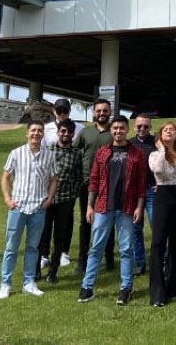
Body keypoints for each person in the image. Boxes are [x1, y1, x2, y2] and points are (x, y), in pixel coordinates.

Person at [78, 116, 147, 305]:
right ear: (111, 130)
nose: (118, 131)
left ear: (128, 129)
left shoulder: (137, 154)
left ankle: (126, 288)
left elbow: (141, 184)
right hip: (103, 207)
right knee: (96, 248)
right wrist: (90, 206)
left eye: (122, 128)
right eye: (115, 128)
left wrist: (139, 208)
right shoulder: (102, 152)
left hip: (126, 208)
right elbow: (93, 181)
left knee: (126, 249)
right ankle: (87, 287)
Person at [0, 121, 57, 299]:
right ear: (27, 133)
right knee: (11, 247)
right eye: (33, 130)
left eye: (40, 131)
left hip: (38, 207)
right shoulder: (16, 153)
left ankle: (29, 282)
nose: (36, 134)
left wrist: (49, 199)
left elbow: (54, 179)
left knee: (33, 247)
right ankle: (5, 283)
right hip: (18, 207)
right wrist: (7, 198)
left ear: (43, 135)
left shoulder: (49, 155)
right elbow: (6, 177)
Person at [38, 99, 85, 272]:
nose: (62, 112)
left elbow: (80, 172)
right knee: (44, 227)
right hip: (47, 192)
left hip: (67, 192)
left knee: (64, 225)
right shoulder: (47, 129)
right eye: (59, 109)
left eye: (65, 109)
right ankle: (43, 256)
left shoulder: (79, 128)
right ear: (54, 110)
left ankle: (62, 253)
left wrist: (74, 191)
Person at [148, 122, 176, 307]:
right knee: (158, 242)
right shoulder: (154, 154)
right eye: (165, 130)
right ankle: (158, 291)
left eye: (172, 130)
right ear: (160, 135)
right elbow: (157, 169)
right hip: (163, 197)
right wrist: (162, 150)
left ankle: (174, 285)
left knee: (175, 242)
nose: (169, 132)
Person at [73, 98, 115, 274]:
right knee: (86, 221)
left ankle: (109, 258)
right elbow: (75, 153)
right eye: (99, 111)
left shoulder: (115, 132)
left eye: (105, 110)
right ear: (93, 113)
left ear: (110, 112)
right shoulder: (85, 133)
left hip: (110, 184)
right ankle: (83, 261)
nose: (102, 113)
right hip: (87, 183)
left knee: (109, 222)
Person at [130, 114, 156, 276]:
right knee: (135, 228)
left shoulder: (157, 142)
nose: (142, 129)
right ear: (134, 127)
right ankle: (139, 262)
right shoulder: (129, 144)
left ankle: (162, 258)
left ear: (150, 127)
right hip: (134, 193)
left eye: (146, 126)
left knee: (157, 226)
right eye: (139, 126)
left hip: (152, 190)